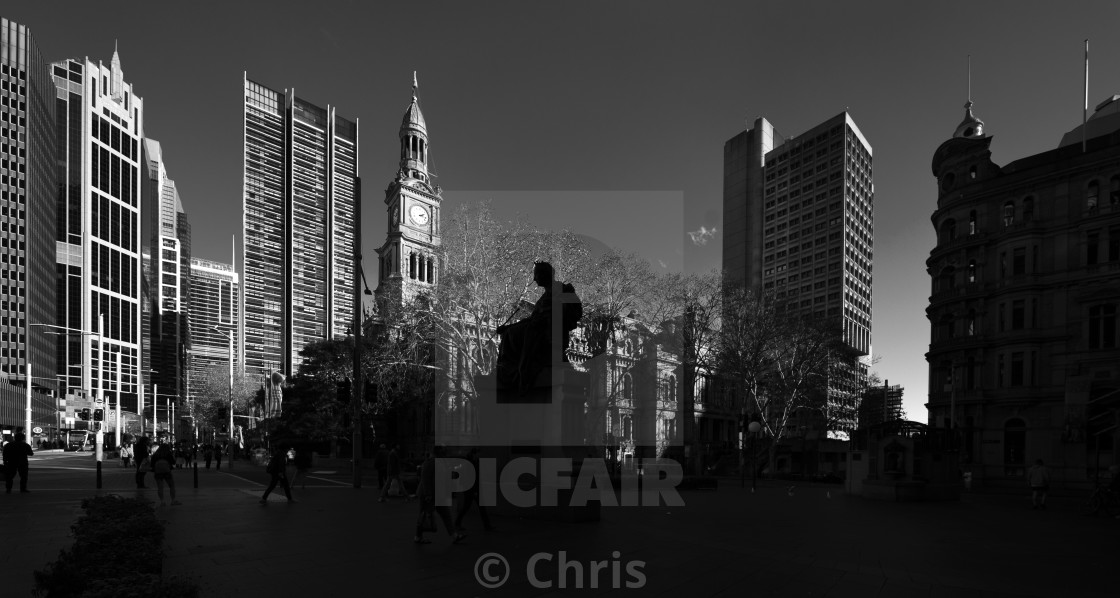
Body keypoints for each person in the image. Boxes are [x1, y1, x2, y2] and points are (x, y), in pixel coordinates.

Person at [495, 261, 582, 394]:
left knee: (530, 332)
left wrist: (554, 314)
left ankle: (523, 371)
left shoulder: (563, 289)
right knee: (509, 333)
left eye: (536, 275)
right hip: (535, 327)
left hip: (549, 331)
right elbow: (531, 319)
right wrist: (508, 327)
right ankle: (508, 369)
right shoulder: (542, 299)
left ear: (545, 275)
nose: (534, 279)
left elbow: (576, 312)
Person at [414, 446, 465, 544]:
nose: (445, 453)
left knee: (446, 514)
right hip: (427, 495)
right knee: (423, 515)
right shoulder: (430, 462)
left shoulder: (441, 461)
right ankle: (418, 536)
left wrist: (452, 475)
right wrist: (428, 494)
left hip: (438, 494)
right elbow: (425, 478)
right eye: (443, 451)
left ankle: (454, 535)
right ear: (438, 452)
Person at [454, 447, 493, 532]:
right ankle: (457, 523)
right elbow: (469, 477)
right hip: (470, 489)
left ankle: (487, 526)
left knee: (477, 507)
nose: (481, 455)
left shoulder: (475, 462)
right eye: (479, 453)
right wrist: (474, 490)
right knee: (467, 507)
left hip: (474, 488)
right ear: (475, 454)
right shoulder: (469, 463)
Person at [150, 440, 181, 506]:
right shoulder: (168, 454)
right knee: (171, 486)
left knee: (160, 487)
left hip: (158, 472)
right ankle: (173, 500)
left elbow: (152, 464)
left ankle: (162, 501)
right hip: (167, 471)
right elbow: (173, 462)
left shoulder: (155, 455)